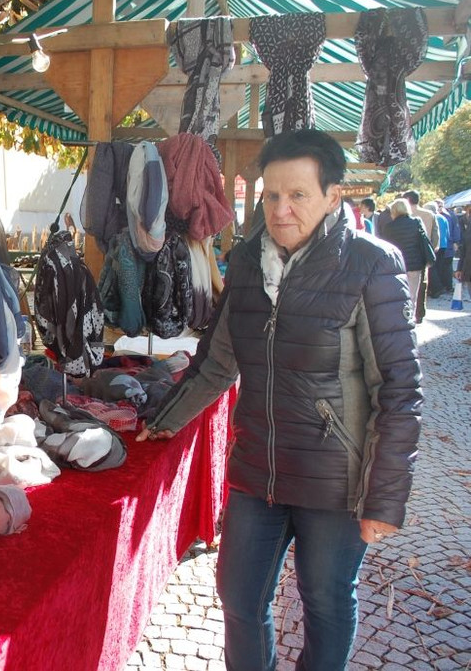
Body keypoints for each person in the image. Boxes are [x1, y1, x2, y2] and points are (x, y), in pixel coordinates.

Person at [136, 129, 420, 671]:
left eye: (298, 195)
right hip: (257, 471)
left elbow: (399, 391)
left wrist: (383, 498)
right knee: (239, 597)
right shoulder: (246, 261)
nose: (281, 209)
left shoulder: (370, 264)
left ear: (333, 196)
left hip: (334, 481)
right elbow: (216, 363)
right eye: (271, 195)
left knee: (326, 601)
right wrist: (165, 419)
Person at [380, 197, 433, 303]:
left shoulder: (388, 227)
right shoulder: (416, 222)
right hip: (414, 264)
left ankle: (399, 313)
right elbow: (423, 240)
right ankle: (410, 312)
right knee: (412, 296)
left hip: (396, 265)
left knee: (397, 295)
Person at [402, 190, 437, 323]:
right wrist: (431, 252)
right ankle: (420, 313)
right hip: (424, 254)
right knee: (422, 284)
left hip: (406, 255)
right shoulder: (429, 215)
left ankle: (407, 313)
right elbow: (435, 237)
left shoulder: (404, 216)